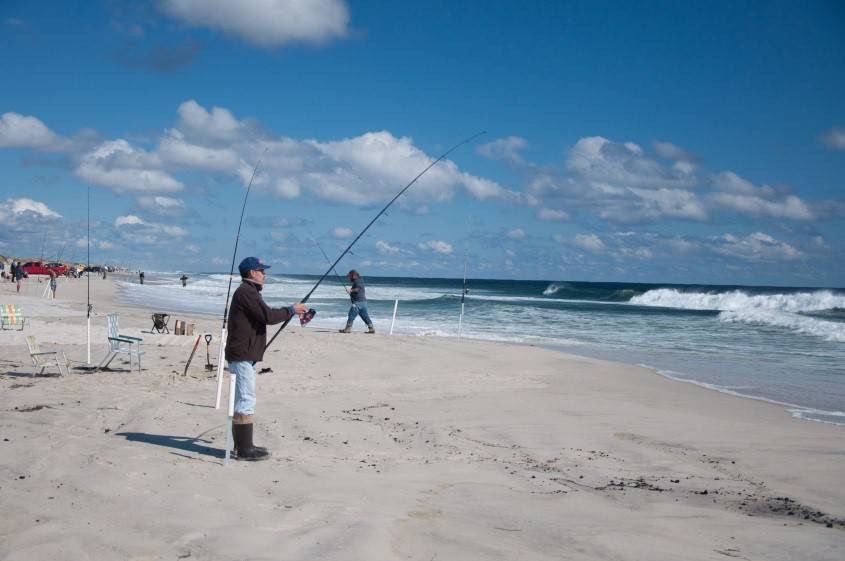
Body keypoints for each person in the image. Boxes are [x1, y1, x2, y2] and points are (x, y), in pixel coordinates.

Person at [225, 256, 308, 461]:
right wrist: (291, 310)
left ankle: (242, 446)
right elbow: (268, 317)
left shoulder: (249, 292)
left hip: (244, 354)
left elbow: (264, 315)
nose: (264, 274)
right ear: (252, 272)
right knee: (246, 399)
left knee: (242, 398)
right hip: (242, 354)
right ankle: (244, 450)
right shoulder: (246, 292)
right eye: (261, 270)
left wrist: (289, 311)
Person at [339, 269, 375, 334]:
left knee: (351, 314)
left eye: (349, 276)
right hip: (363, 302)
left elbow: (358, 289)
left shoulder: (357, 281)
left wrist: (351, 290)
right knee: (365, 316)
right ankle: (371, 329)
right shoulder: (360, 280)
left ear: (353, 275)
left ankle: (347, 329)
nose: (349, 278)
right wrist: (351, 292)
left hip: (358, 302)